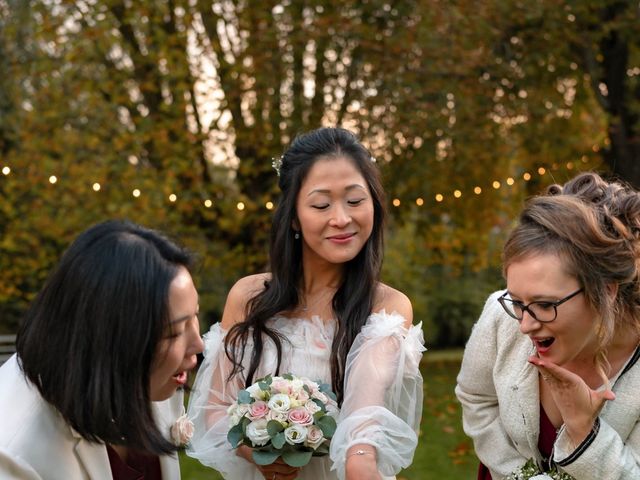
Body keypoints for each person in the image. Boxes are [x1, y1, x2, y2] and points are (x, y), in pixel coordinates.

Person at [186, 127, 425, 480]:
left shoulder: (388, 306)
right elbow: (218, 406)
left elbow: (364, 412)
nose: (341, 218)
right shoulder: (247, 298)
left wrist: (361, 462)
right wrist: (253, 450)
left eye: (355, 201)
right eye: (321, 204)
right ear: (295, 216)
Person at [456, 172, 640, 479]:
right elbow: (476, 398)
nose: (525, 325)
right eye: (516, 300)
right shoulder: (501, 316)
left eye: (545, 305)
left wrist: (584, 432)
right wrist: (521, 475)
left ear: (606, 290)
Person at [0, 220, 204, 479]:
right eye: (174, 332)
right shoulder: (13, 454)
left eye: (194, 316)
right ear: (111, 340)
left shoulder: (155, 377)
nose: (198, 344)